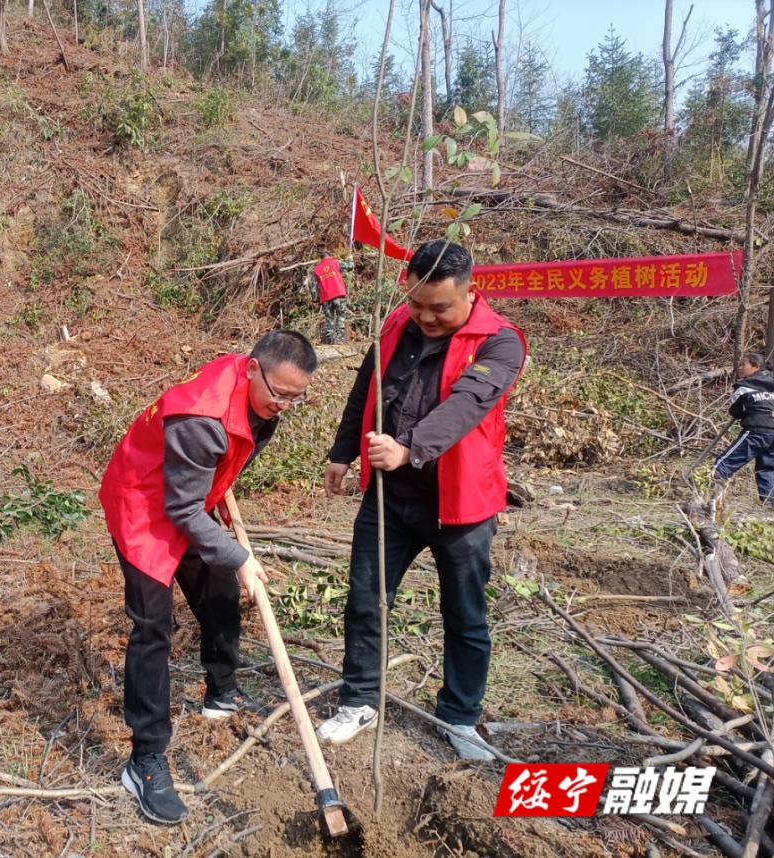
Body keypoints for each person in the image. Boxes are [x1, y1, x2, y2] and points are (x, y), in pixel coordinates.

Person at [315, 240, 525, 761]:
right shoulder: (392, 329)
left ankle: (459, 715)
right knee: (367, 601)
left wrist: (409, 449)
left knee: (465, 615)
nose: (426, 317)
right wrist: (343, 452)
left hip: (462, 507)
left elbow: (467, 404)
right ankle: (359, 700)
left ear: (471, 292)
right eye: (417, 304)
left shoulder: (499, 343)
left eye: (440, 308)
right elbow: (366, 390)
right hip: (391, 498)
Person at [99, 331, 319, 824]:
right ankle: (146, 759)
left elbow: (216, 472)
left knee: (219, 592)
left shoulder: (260, 402)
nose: (283, 404)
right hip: (145, 503)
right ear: (251, 369)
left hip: (190, 499)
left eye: (295, 397)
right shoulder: (201, 417)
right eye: (278, 394)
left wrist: (223, 536)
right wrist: (239, 555)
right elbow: (178, 506)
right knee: (153, 628)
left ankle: (222, 691)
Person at [712, 352, 774, 505]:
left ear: (756, 366)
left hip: (756, 432)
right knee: (767, 469)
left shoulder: (744, 386)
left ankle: (711, 503)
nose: (740, 368)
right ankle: (770, 507)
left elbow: (735, 411)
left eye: (743, 364)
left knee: (722, 465)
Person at [307, 256, 352, 345]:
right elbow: (350, 266)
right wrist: (350, 259)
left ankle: (330, 339)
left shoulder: (317, 269)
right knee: (341, 315)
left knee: (329, 318)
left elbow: (313, 287)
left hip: (326, 297)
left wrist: (315, 299)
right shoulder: (336, 262)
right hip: (338, 294)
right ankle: (340, 338)